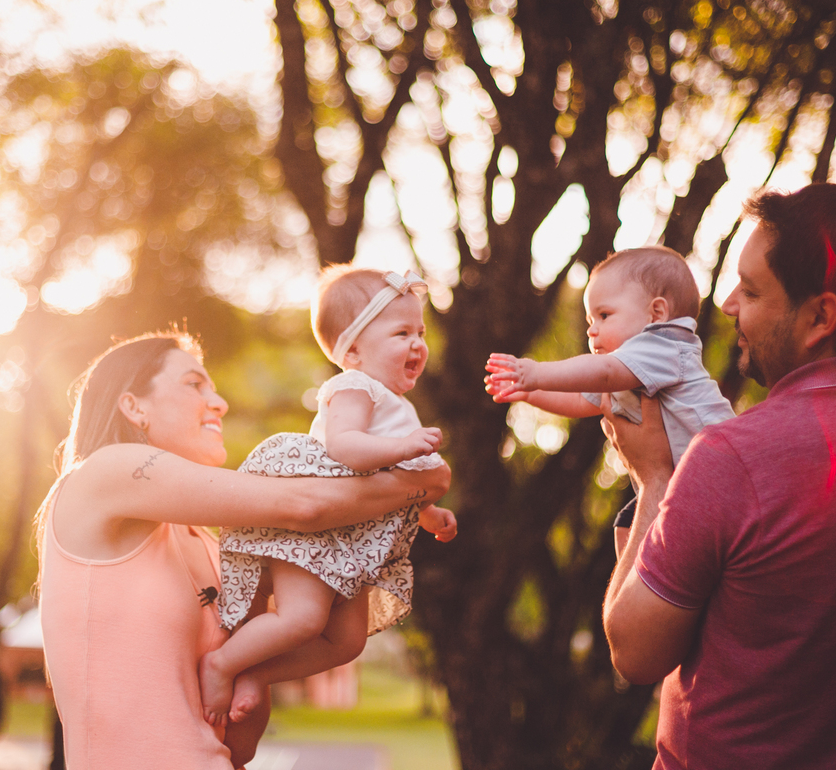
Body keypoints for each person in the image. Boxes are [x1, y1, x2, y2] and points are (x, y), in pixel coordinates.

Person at [602, 183, 836, 769]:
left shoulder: (732, 456)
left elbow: (634, 651)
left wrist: (653, 479)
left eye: (750, 290)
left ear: (821, 315)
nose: (727, 306)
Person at [36, 329, 450, 770]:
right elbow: (304, 505)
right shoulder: (105, 471)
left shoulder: (213, 546)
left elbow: (241, 737)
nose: (219, 402)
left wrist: (251, 670)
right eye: (195, 384)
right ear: (133, 405)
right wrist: (419, 483)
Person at [200, 266, 458, 726]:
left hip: (354, 546)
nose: (417, 343)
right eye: (401, 332)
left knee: (347, 643)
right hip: (316, 537)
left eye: (420, 331)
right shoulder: (354, 387)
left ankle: (258, 674)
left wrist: (429, 513)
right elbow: (346, 447)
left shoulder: (397, 404)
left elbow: (392, 491)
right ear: (353, 349)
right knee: (302, 621)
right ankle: (222, 663)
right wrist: (403, 447)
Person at [484, 246, 734, 555]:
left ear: (656, 313)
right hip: (682, 487)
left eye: (604, 315)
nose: (592, 329)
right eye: (590, 318)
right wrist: (530, 393)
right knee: (628, 521)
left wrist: (536, 373)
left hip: (720, 482)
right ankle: (636, 584)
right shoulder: (628, 371)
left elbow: (601, 373)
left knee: (641, 525)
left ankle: (644, 584)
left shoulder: (664, 344)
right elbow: (581, 400)